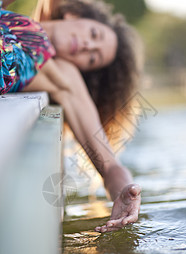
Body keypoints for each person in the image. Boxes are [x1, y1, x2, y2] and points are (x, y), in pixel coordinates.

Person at [0, 0, 142, 232]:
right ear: (73, 14)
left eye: (93, 58)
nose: (88, 46)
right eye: (94, 34)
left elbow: (111, 167)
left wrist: (127, 190)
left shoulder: (62, 77)